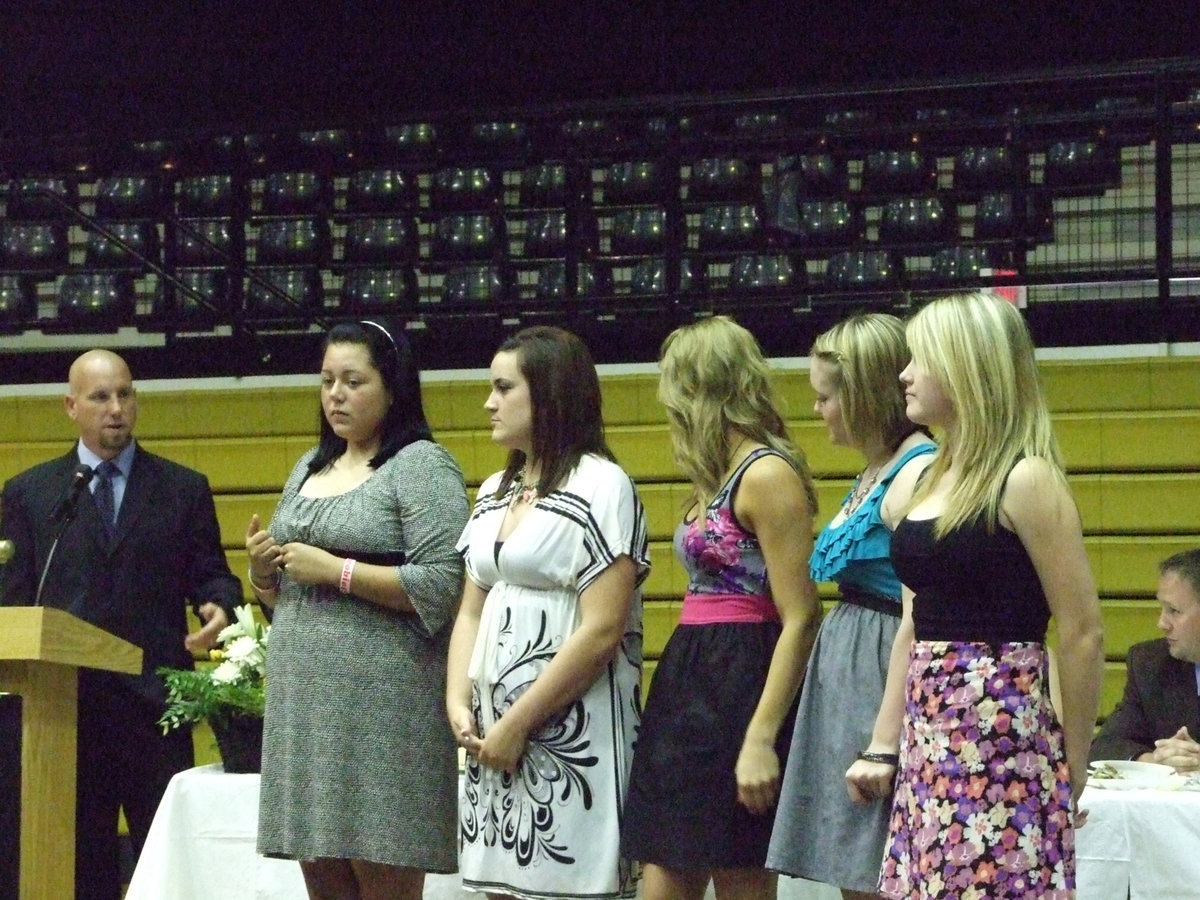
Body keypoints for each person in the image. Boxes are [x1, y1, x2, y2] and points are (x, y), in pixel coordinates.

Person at [845, 291, 1105, 899]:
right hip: (930, 731)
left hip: (1001, 734)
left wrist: (1073, 764)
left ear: (965, 367)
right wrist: (887, 743)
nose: (904, 374)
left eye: (919, 359)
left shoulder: (1026, 478)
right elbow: (913, 619)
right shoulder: (931, 475)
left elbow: (1083, 630)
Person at [0, 348, 241, 900]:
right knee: (80, 868)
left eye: (125, 394)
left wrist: (218, 609)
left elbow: (214, 577)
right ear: (70, 406)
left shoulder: (182, 489)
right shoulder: (33, 494)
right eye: (100, 397)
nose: (116, 409)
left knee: (169, 865)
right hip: (66, 712)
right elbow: (13, 607)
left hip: (155, 708)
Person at [246, 319, 468, 900]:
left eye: (353, 381)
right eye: (326, 381)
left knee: (384, 878)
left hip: (385, 710)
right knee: (324, 883)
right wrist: (265, 573)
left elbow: (444, 584)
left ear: (393, 389)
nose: (335, 396)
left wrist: (337, 571)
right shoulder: (308, 467)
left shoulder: (422, 465)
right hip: (306, 705)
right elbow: (287, 594)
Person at [621, 315, 822, 900]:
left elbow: (801, 616)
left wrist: (760, 736)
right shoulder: (712, 475)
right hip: (690, 676)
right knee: (662, 873)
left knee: (739, 875)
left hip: (741, 679)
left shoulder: (765, 474)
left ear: (700, 388)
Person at [447, 325, 650, 900]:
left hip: (570, 738)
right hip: (493, 741)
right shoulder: (492, 489)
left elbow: (602, 629)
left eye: (503, 387)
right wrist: (457, 700)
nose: (488, 402)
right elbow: (470, 612)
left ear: (550, 395)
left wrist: (518, 722)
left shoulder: (603, 486)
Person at [767, 314, 935, 900]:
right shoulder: (875, 468)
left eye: (825, 396)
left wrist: (882, 739)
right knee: (855, 868)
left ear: (862, 394)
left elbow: (919, 613)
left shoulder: (917, 468)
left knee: (881, 867)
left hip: (881, 671)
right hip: (848, 668)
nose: (817, 410)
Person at [1089, 548, 1200, 769]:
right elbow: (1105, 746)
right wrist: (1155, 761)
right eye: (1162, 608)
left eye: (1174, 611)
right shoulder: (1150, 663)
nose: (1162, 623)